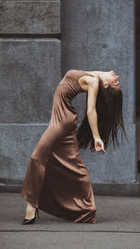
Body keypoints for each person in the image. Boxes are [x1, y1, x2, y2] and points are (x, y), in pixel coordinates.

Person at [21, 69, 126, 225]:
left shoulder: (94, 82)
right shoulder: (95, 76)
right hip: (65, 120)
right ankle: (87, 210)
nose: (116, 76)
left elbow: (91, 110)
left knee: (37, 158)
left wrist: (97, 137)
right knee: (74, 164)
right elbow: (101, 77)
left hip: (61, 122)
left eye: (116, 82)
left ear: (105, 85)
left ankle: (32, 205)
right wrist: (107, 77)